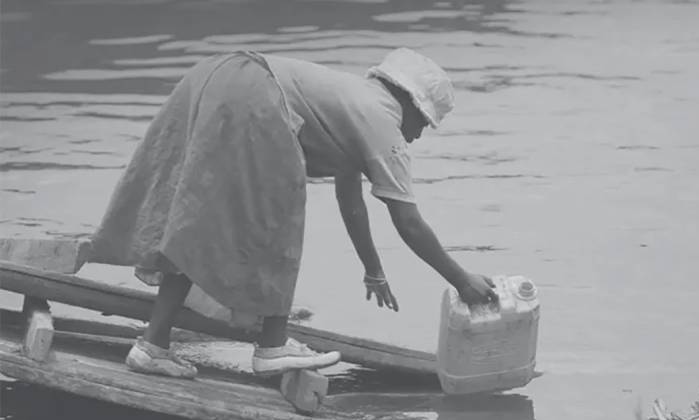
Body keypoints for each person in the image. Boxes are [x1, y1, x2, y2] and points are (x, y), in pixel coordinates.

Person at [89, 48, 500, 380]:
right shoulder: (383, 127)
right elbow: (408, 222)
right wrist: (462, 280)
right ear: (410, 105)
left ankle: (151, 346)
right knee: (279, 212)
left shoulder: (351, 100)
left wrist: (372, 269)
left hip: (218, 72)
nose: (419, 134)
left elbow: (349, 196)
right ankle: (272, 345)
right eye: (425, 123)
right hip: (254, 94)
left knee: (198, 221)